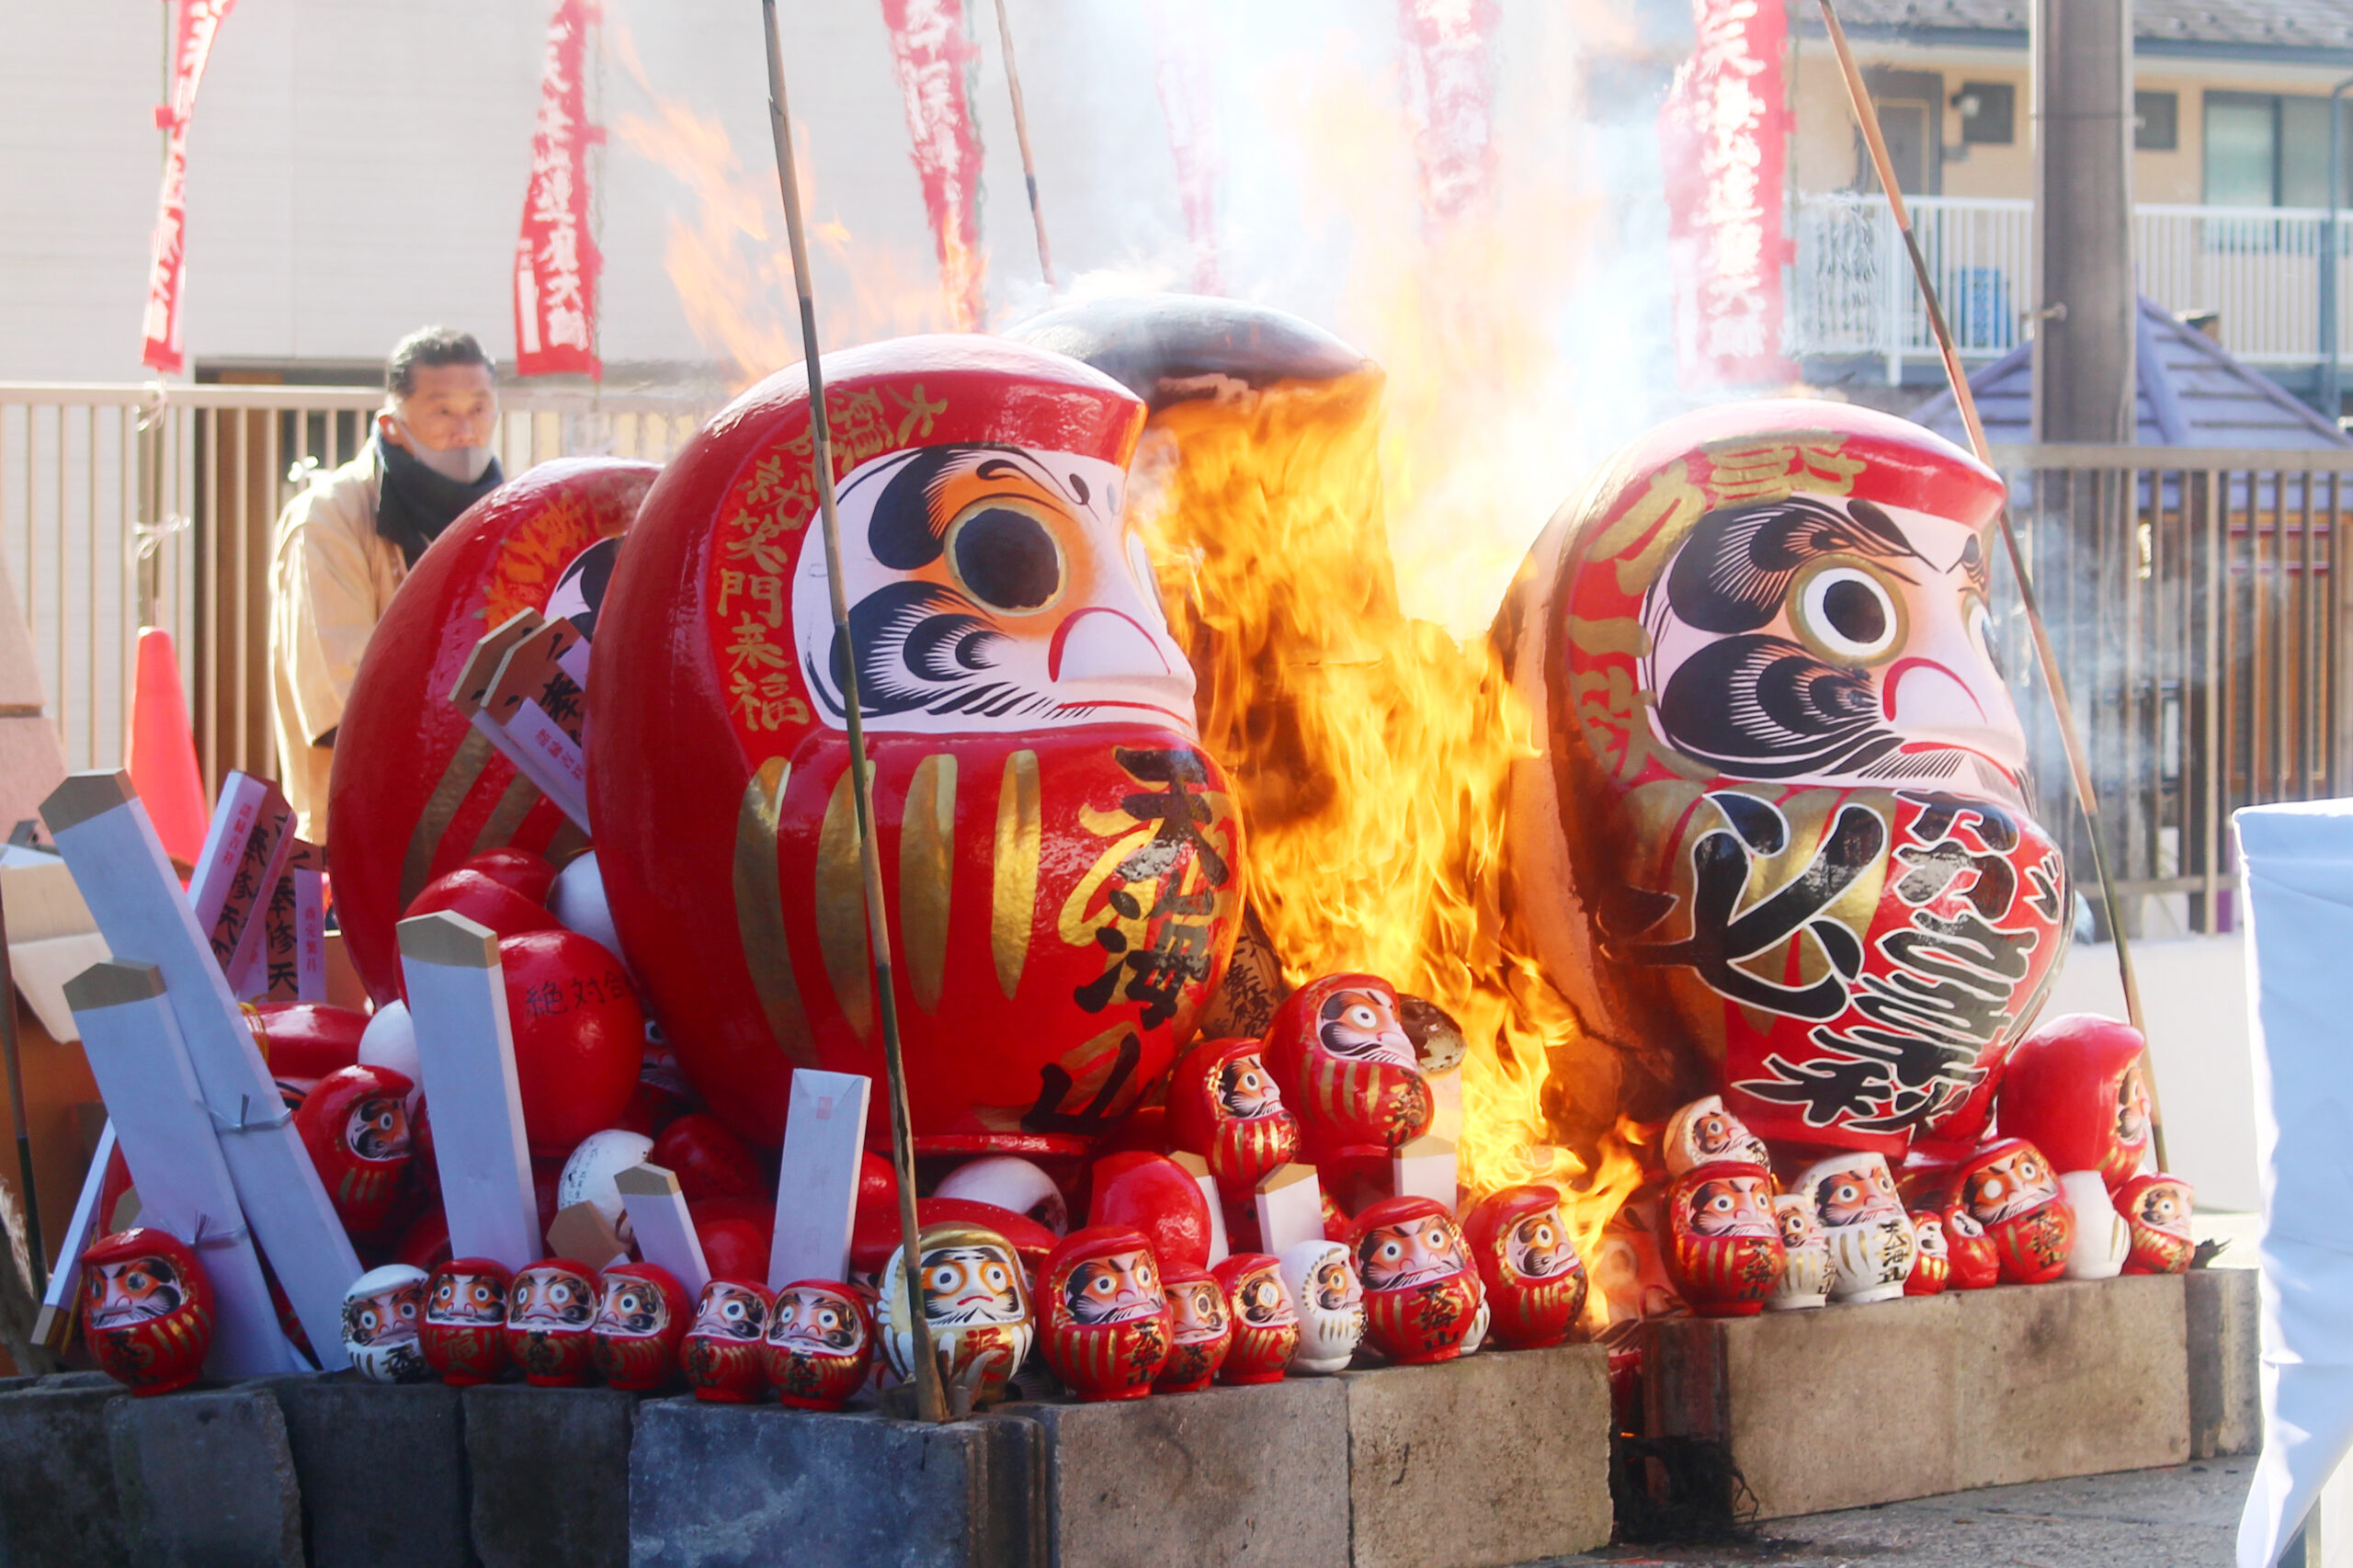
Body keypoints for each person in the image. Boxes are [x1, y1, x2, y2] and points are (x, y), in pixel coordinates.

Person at [268, 327, 505, 842]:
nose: (465, 431)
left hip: (489, 820)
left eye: (480, 409)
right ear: (392, 424)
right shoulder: (327, 519)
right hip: (360, 830)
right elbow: (343, 702)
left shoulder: (509, 514)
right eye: (442, 411)